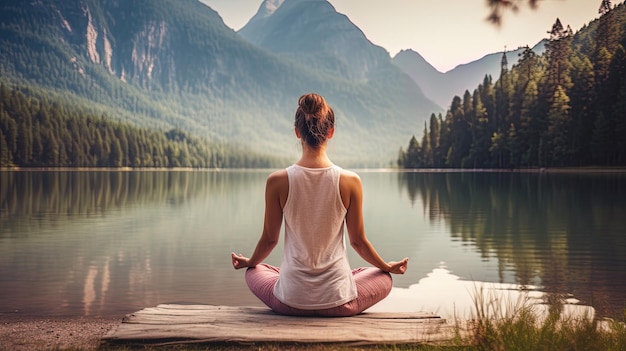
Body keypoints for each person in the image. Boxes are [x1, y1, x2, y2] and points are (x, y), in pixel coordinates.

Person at [231, 93, 408, 317]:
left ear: (297, 132)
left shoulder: (277, 181)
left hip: (289, 301)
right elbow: (358, 242)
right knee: (381, 276)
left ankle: (287, 280)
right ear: (331, 132)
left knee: (255, 270)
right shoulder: (350, 181)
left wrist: (250, 261)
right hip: (338, 302)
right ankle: (345, 282)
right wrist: (386, 266)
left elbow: (269, 240)